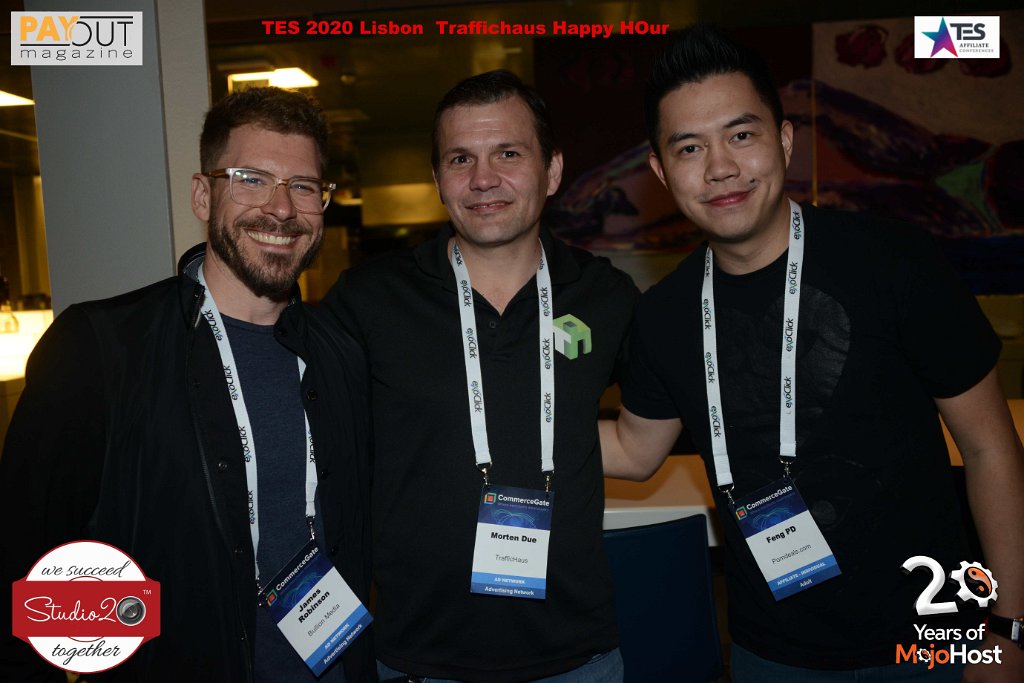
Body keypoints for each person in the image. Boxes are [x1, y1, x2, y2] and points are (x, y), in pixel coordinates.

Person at [600, 24, 1024, 682]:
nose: (720, 167)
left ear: (785, 140)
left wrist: (1007, 627)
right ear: (660, 170)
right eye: (690, 147)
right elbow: (634, 448)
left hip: (931, 639)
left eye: (742, 135)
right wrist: (487, 425)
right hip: (769, 654)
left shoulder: (895, 262)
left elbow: (991, 448)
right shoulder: (663, 314)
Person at [0, 87, 374, 682]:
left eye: (303, 186)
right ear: (204, 194)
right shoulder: (102, 348)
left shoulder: (341, 354)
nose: (281, 208)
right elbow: (26, 571)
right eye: (251, 179)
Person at [324, 70, 637, 682]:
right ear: (438, 179)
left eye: (508, 153)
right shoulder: (368, 300)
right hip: (420, 658)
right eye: (460, 158)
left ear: (552, 170)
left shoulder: (606, 296)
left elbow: (649, 432)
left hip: (578, 660)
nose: (483, 178)